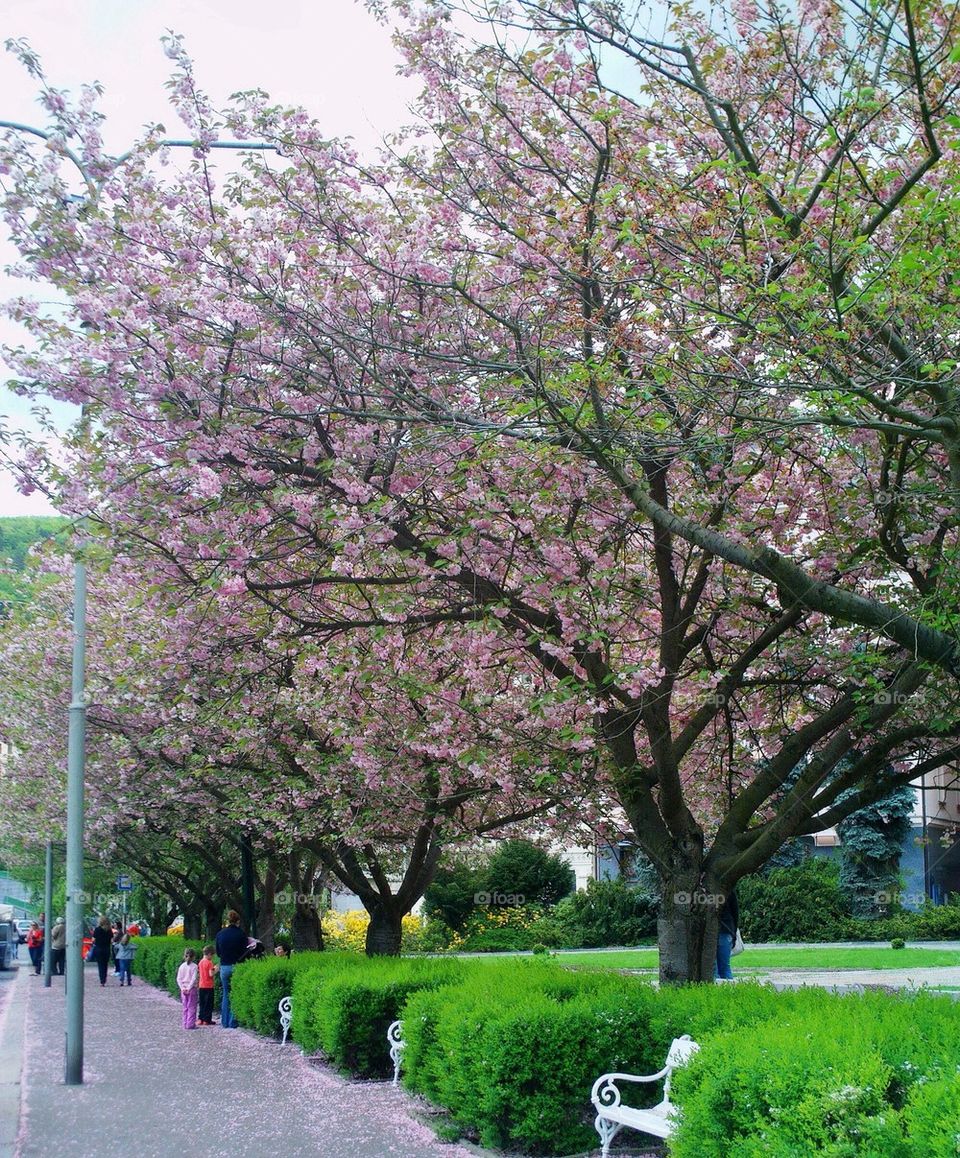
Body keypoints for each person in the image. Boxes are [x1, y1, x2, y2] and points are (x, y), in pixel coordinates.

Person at [214, 910, 248, 1029]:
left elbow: (218, 953)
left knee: (226, 993)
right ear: (238, 921)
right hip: (237, 966)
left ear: (228, 920)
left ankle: (224, 1022)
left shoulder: (220, 934)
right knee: (235, 993)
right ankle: (233, 1021)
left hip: (224, 966)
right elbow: (245, 951)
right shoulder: (241, 934)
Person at [715, 888, 739, 982]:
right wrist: (733, 933)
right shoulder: (728, 888)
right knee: (724, 967)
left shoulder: (703, 888)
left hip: (721, 930)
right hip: (726, 929)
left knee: (713, 968)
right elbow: (735, 912)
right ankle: (728, 992)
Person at [176, 947, 199, 1029]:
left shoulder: (181, 966)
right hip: (192, 989)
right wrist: (189, 988)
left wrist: (182, 988)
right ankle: (190, 1024)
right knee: (192, 1007)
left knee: (185, 1007)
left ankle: (185, 1023)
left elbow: (178, 978)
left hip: (183, 989)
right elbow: (194, 978)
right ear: (194, 957)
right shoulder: (195, 966)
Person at [92, 915, 114, 986]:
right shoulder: (109, 930)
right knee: (105, 965)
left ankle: (102, 980)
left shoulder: (97, 929)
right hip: (107, 949)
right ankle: (104, 978)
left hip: (98, 948)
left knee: (100, 965)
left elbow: (93, 940)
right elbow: (111, 940)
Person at [197, 944, 217, 1025]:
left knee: (202, 1003)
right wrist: (216, 969)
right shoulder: (209, 963)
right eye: (212, 955)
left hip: (201, 985)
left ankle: (200, 1018)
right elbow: (211, 974)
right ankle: (207, 1020)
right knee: (208, 1004)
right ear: (209, 954)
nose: (212, 957)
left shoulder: (201, 962)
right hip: (209, 986)